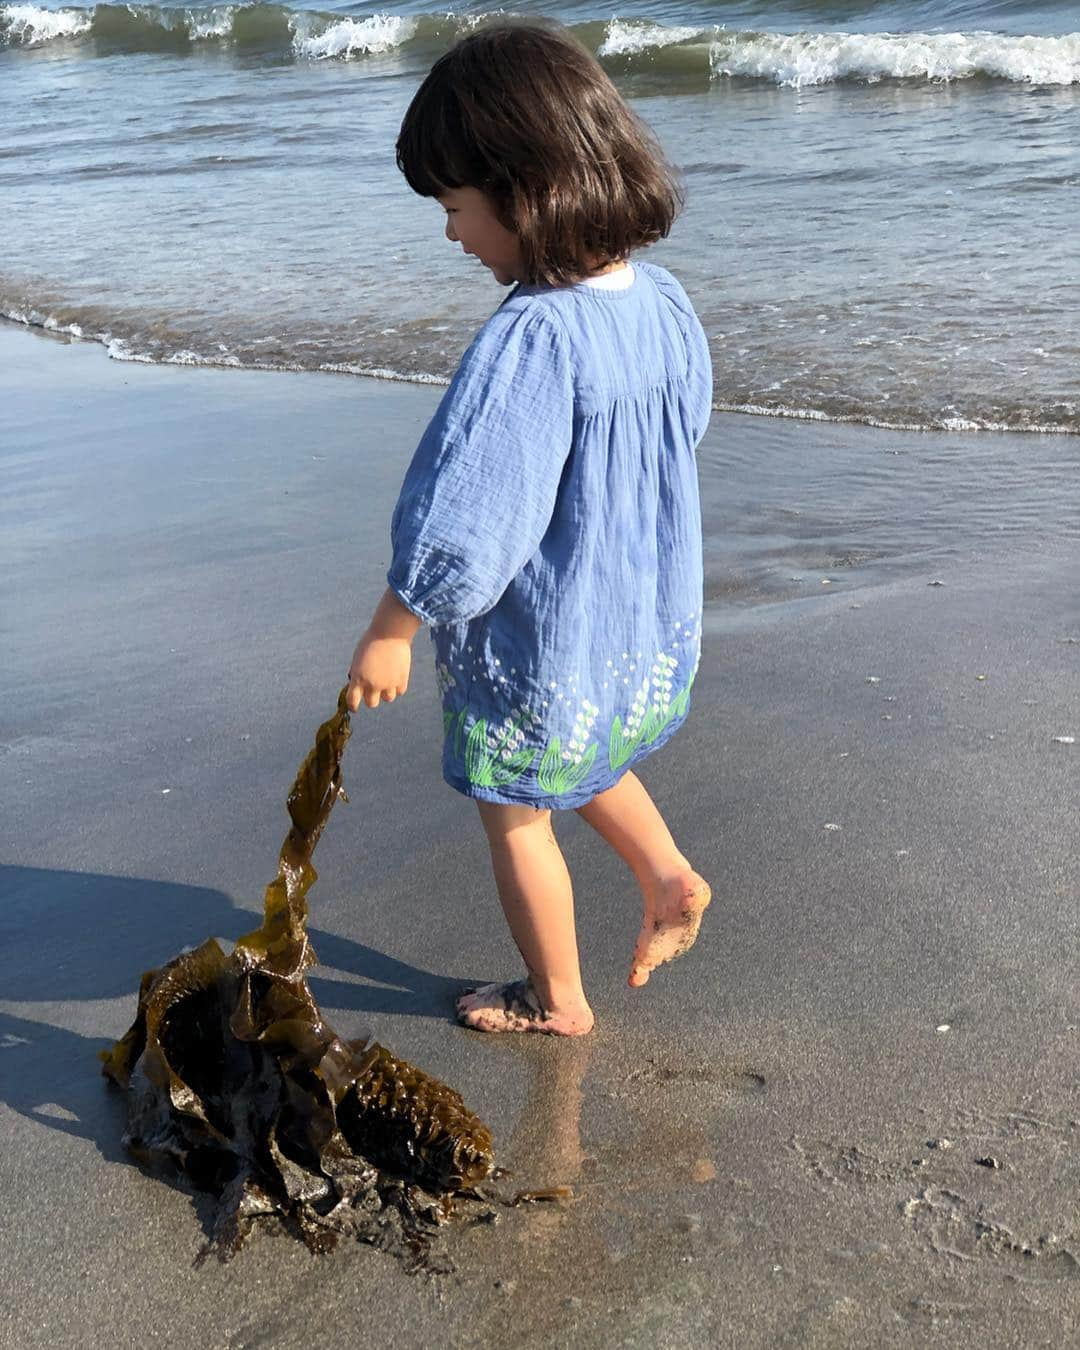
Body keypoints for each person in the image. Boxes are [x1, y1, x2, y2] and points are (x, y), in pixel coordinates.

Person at [345, 21, 712, 1037]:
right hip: (627, 603)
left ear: (526, 189)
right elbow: (687, 425)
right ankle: (668, 876)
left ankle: (557, 1001)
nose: (451, 233)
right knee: (587, 749)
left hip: (545, 623)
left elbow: (468, 517)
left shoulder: (530, 338)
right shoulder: (662, 297)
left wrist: (394, 624)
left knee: (517, 808)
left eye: (457, 207)